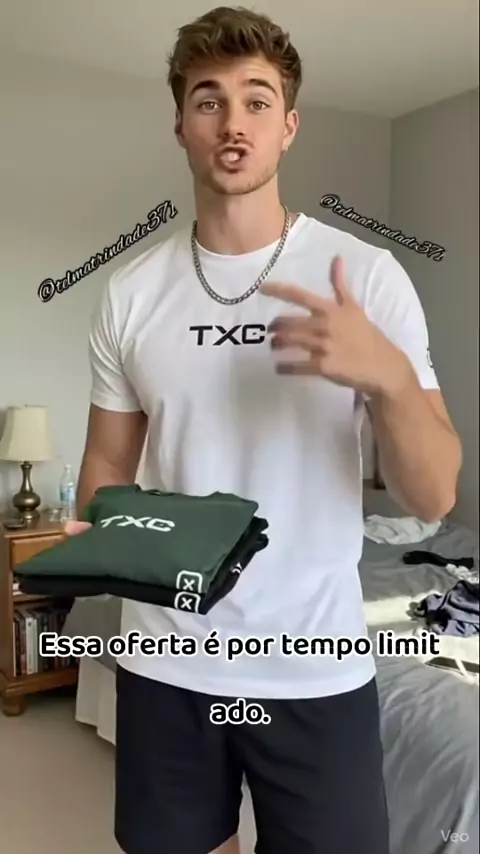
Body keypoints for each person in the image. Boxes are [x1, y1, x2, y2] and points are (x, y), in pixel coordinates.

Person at [67, 7, 462, 854]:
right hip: (166, 662)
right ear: (181, 125)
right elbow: (105, 465)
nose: (232, 122)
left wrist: (389, 378)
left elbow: (432, 497)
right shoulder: (130, 295)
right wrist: (105, 542)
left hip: (313, 664)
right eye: (208, 100)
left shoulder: (367, 277)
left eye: (256, 100)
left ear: (289, 125)